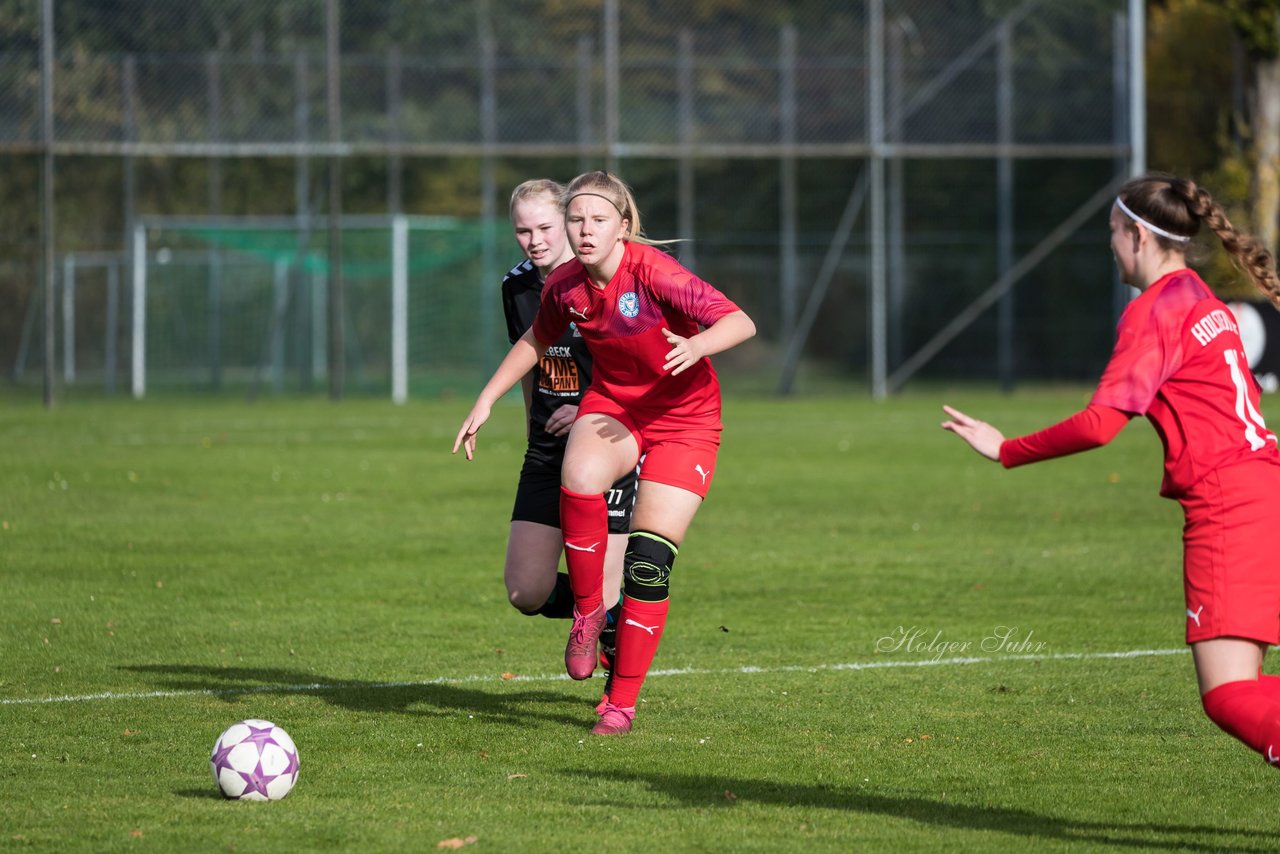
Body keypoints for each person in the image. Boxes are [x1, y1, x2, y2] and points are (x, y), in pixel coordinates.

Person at [942, 172, 1280, 768]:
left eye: (1113, 232)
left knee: (1229, 695)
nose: (1110, 245)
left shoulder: (1156, 310)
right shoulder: (1200, 296)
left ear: (1139, 238)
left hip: (1230, 506)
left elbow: (1101, 423)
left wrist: (1007, 448)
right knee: (1246, 685)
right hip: (1263, 488)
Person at [455, 170, 756, 735]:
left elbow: (740, 321)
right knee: (580, 471)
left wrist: (696, 343)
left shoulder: (655, 272)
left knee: (648, 562)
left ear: (623, 226)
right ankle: (589, 612)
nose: (585, 230)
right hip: (616, 405)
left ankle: (620, 703)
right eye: (577, 219)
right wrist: (487, 399)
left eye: (597, 220)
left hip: (686, 421)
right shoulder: (563, 284)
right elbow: (536, 340)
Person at [499, 179, 636, 665]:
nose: (534, 240)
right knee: (525, 591)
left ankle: (613, 635)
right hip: (546, 449)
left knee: (603, 579)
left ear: (569, 223)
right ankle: (603, 612)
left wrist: (588, 408)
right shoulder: (516, 286)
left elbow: (637, 368)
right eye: (522, 230)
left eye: (544, 227)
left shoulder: (605, 279)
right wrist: (530, 425)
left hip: (608, 436)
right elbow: (528, 359)